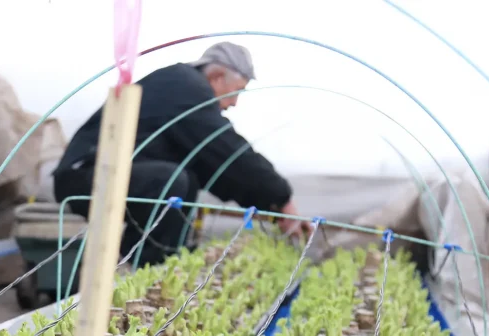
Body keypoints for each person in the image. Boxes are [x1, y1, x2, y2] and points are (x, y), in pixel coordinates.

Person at [53, 41, 310, 267]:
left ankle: (158, 261)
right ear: (218, 76)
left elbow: (218, 169)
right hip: (85, 175)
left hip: (112, 175)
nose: (234, 103)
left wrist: (272, 207)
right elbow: (228, 151)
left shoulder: (185, 93)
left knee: (187, 178)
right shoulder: (184, 87)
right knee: (172, 180)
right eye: (237, 91)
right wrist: (282, 197)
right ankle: (140, 268)